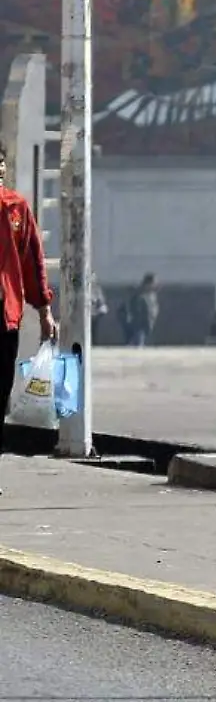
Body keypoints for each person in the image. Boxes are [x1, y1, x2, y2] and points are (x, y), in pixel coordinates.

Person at [0, 141, 56, 493]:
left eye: (0, 161)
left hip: (6, 317)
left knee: (1, 394)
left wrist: (45, 310)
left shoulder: (17, 208)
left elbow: (32, 262)